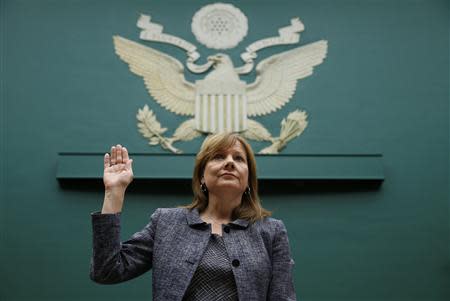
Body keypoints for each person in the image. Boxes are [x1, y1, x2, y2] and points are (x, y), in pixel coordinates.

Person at [90, 133, 297, 300]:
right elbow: (107, 271)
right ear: (201, 178)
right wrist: (114, 192)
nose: (229, 163)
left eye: (238, 158)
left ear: (248, 180)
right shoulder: (166, 222)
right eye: (218, 157)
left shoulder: (271, 231)